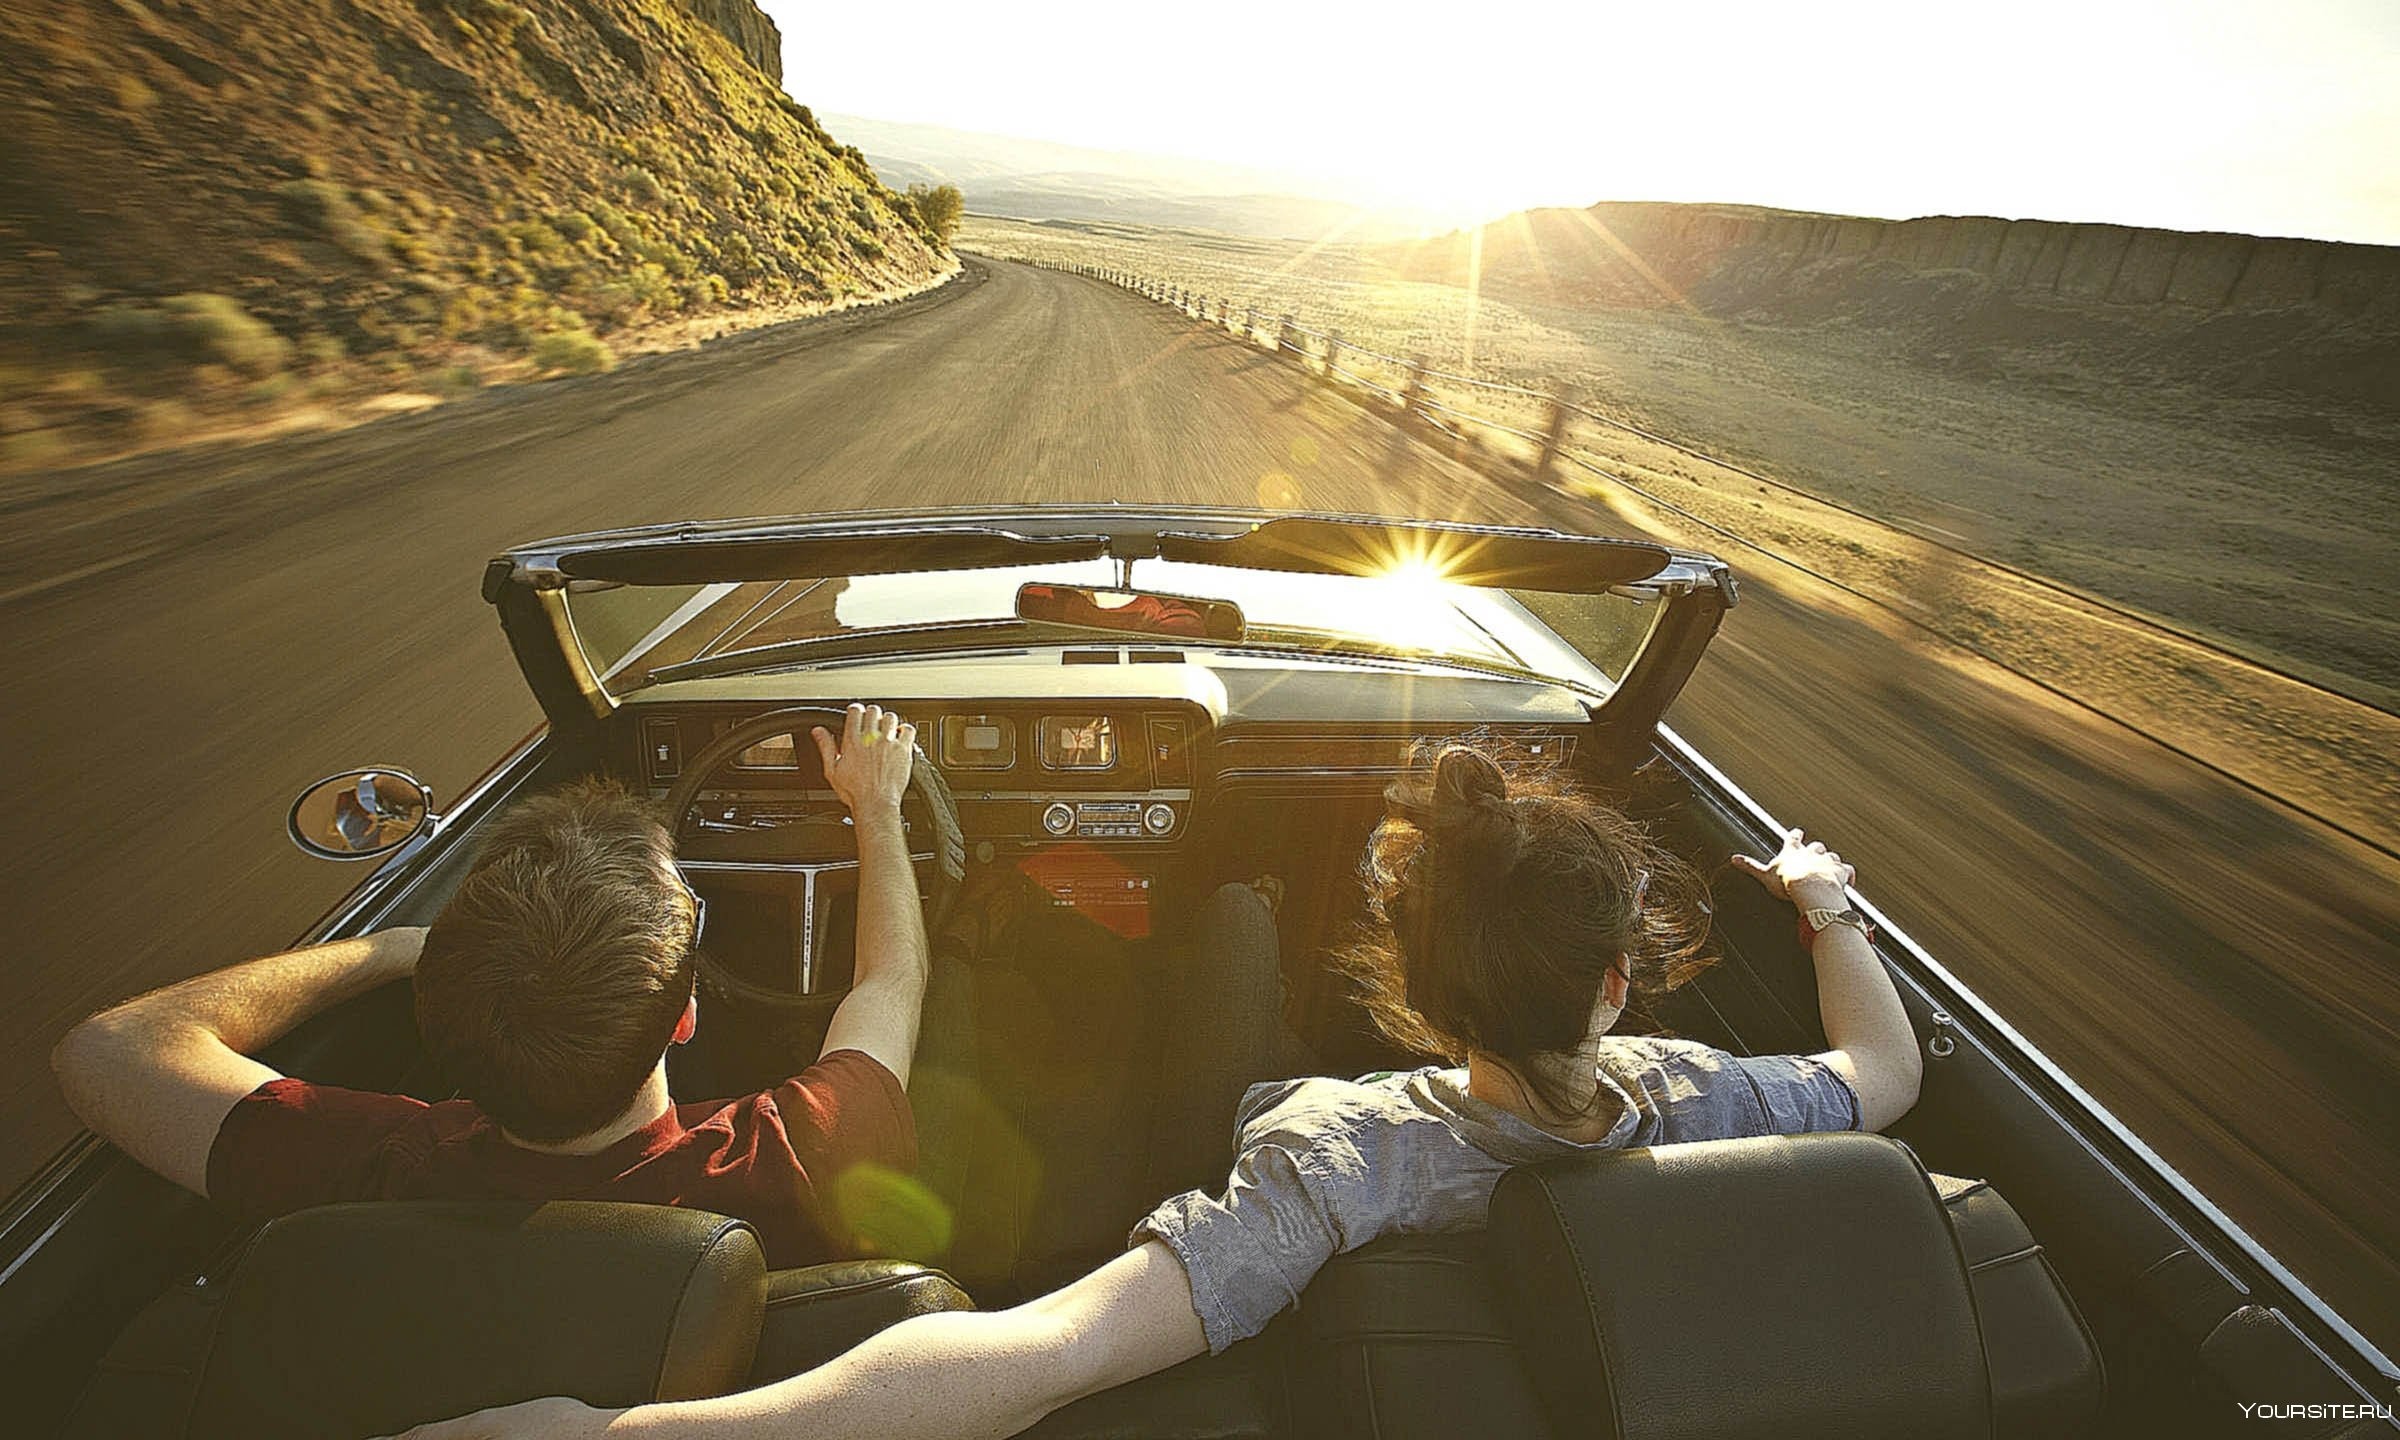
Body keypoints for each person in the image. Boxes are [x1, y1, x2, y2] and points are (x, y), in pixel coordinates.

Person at [395, 742, 1924, 1440]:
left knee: (1233, 926)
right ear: (1616, 982)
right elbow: (1886, 1074)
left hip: (1286, 1234)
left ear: (1412, 986)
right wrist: (1828, 910)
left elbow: (1034, 1353)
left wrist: (616, 1436)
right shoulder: (1715, 1100)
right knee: (1234, 920)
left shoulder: (1336, 1153)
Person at [51, 703, 931, 1270]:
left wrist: (392, 949)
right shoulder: (800, 1156)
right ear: (686, 1016)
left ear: (440, 1020)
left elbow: (104, 1050)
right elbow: (891, 980)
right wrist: (876, 809)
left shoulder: (374, 1168)